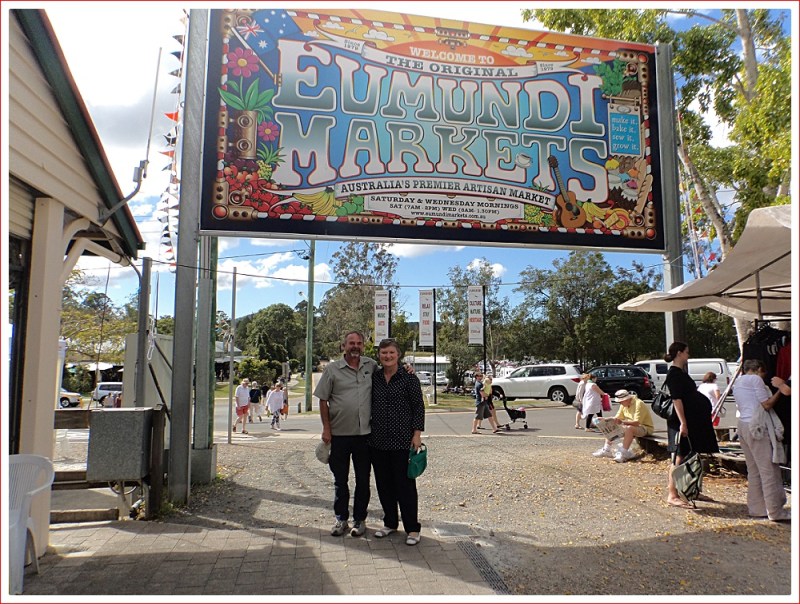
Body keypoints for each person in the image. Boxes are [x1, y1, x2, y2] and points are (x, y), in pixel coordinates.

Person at [314, 330, 376, 538]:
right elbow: (323, 400)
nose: (355, 346)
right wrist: (326, 428)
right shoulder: (332, 370)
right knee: (340, 480)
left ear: (363, 346)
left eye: (359, 343)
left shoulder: (371, 366)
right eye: (351, 343)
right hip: (339, 435)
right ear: (343, 346)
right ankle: (341, 519)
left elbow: (391, 372)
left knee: (363, 480)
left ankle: (360, 519)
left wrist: (408, 370)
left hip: (365, 435)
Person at [369, 338, 425, 546]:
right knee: (384, 485)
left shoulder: (409, 377)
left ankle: (412, 528)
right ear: (379, 355)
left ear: (398, 354)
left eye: (391, 353)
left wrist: (417, 434)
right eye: (384, 353)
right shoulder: (374, 376)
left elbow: (418, 407)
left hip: (402, 441)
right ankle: (390, 522)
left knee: (405, 486)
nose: (387, 356)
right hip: (377, 441)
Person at [663, 342, 719, 508]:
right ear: (679, 353)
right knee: (679, 456)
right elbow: (677, 400)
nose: (689, 355)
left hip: (693, 421)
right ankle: (672, 494)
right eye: (687, 352)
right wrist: (683, 423)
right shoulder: (674, 374)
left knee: (692, 455)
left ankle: (691, 489)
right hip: (683, 422)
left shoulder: (681, 372)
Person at [733, 360, 790, 521]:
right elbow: (766, 404)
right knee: (769, 470)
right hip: (757, 426)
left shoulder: (739, 381)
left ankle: (757, 508)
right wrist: (779, 389)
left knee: (754, 470)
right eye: (763, 373)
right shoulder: (755, 379)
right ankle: (775, 510)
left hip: (743, 424)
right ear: (758, 369)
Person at [593, 390, 654, 462]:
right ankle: (606, 449)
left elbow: (637, 423)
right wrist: (605, 419)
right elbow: (617, 418)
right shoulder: (623, 405)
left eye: (621, 401)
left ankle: (623, 452)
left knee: (629, 428)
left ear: (627, 399)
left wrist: (622, 422)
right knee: (611, 425)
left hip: (644, 427)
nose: (620, 403)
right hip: (630, 425)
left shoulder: (639, 404)